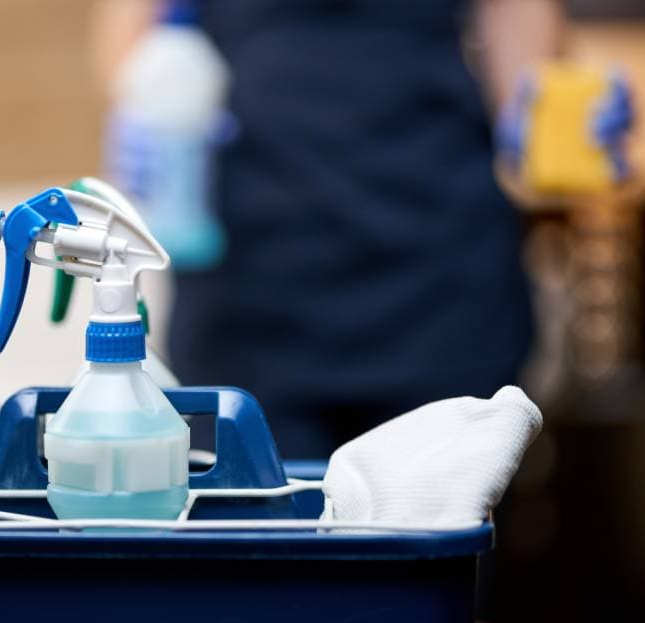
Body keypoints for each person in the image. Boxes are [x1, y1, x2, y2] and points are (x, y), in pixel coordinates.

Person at [92, 0, 567, 458]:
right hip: (247, 297)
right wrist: (145, 106)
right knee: (256, 511)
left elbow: (514, 21)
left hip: (440, 282)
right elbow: (134, 23)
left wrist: (539, 127)